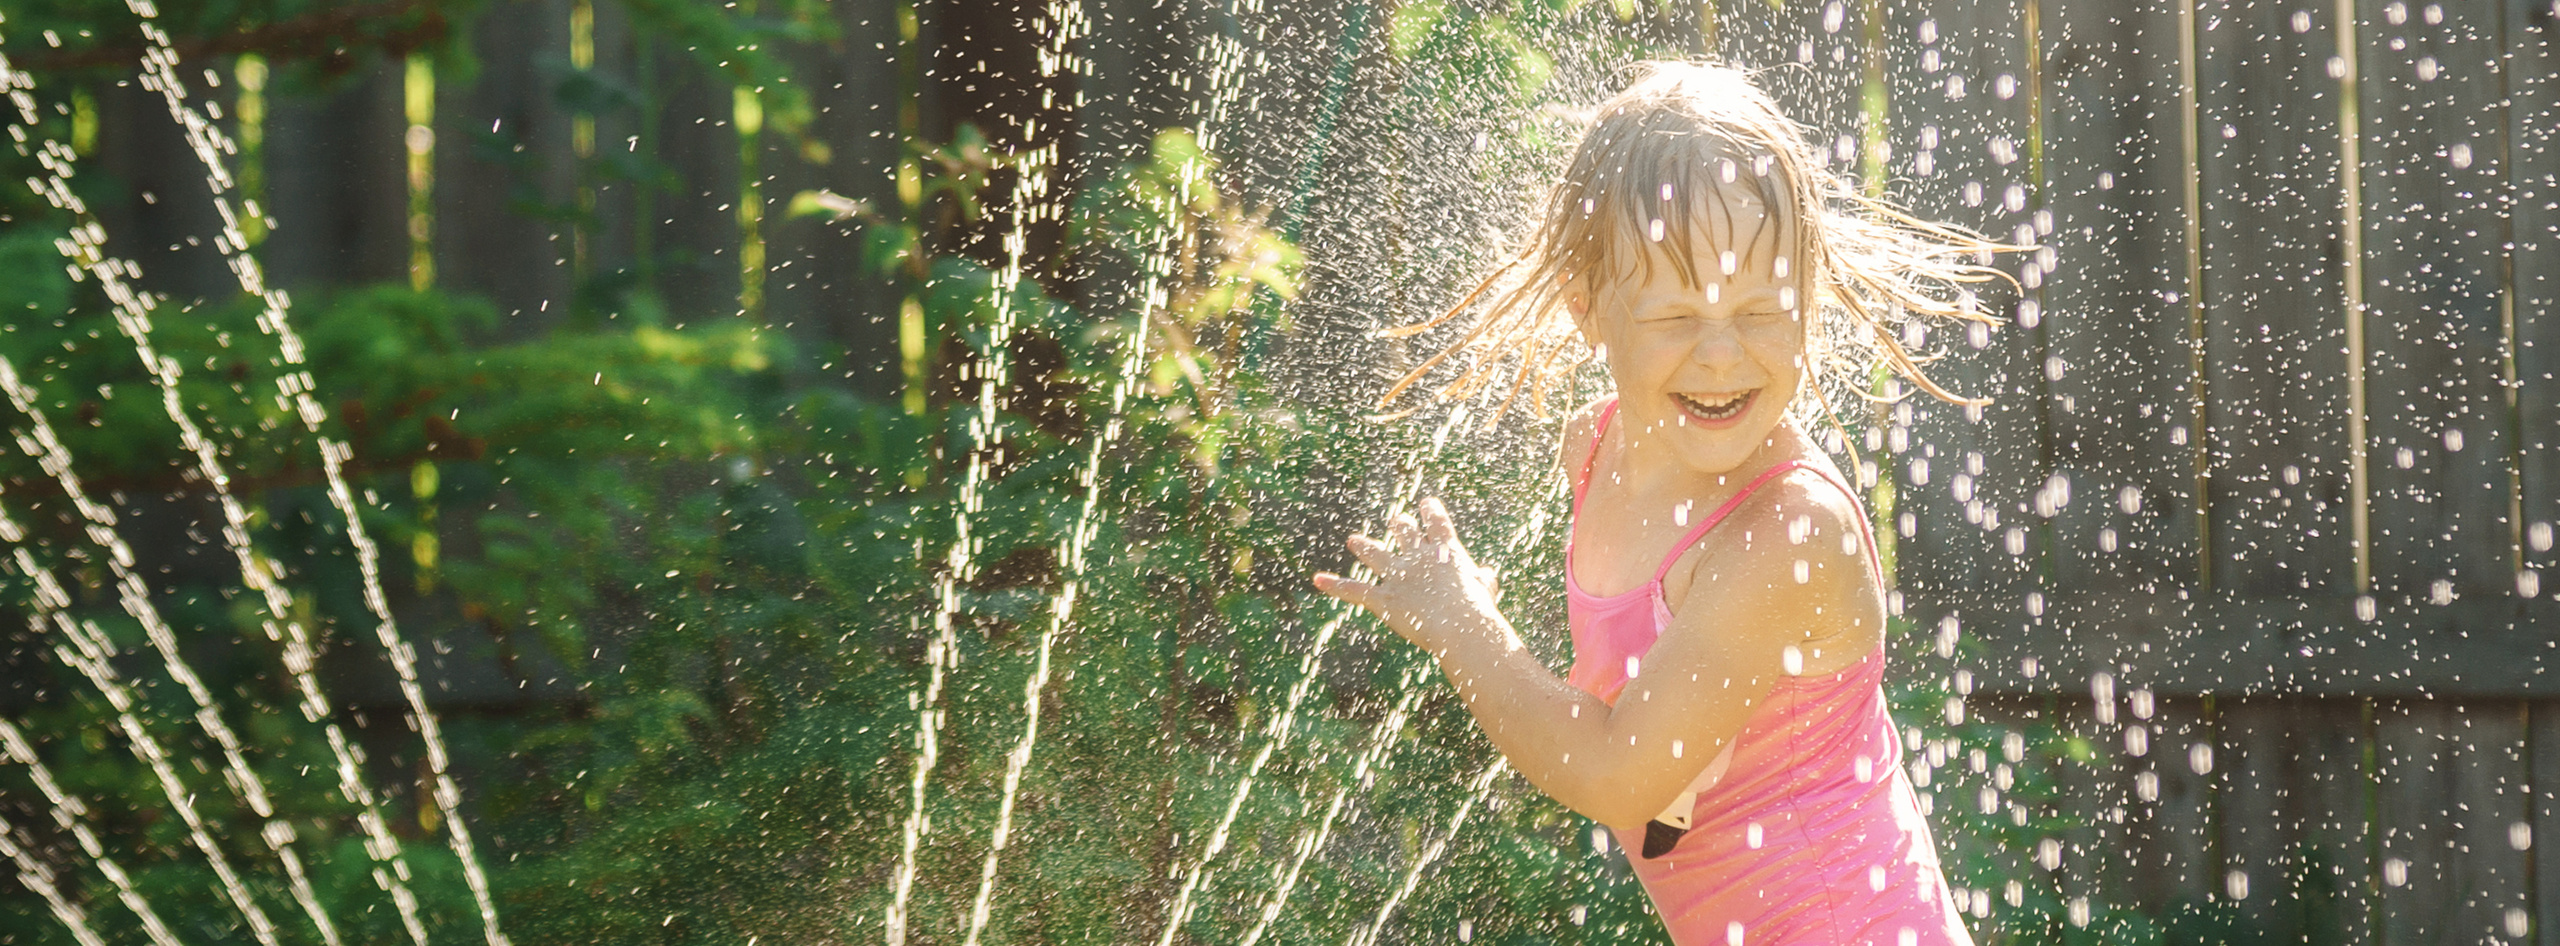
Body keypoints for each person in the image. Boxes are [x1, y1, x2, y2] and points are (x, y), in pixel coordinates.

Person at [1311, 61, 2017, 946]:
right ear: (1589, 310)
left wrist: (1464, 624)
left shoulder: (1787, 534)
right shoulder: (1597, 448)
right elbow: (1662, 759)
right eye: (1677, 317)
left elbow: (1617, 775)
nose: (1722, 356)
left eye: (1763, 310)